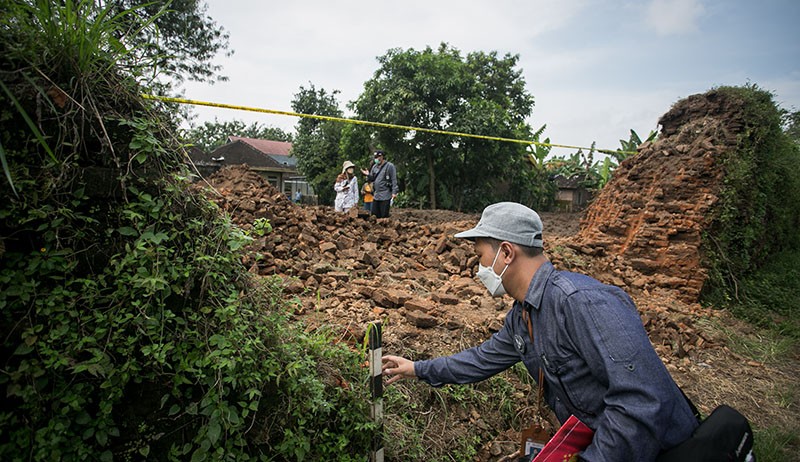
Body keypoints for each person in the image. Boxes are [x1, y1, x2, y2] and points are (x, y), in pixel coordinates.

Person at [381, 202, 699, 461]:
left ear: (507, 253)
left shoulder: (581, 302)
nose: (477, 268)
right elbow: (480, 360)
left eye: (480, 256)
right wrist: (417, 369)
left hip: (665, 451)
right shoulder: (524, 316)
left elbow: (641, 402)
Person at [361, 150, 398, 218]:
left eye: (378, 157)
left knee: (384, 216)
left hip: (385, 194)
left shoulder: (389, 166)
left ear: (382, 157)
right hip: (376, 195)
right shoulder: (374, 167)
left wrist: (394, 192)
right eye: (375, 157)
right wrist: (368, 175)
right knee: (374, 215)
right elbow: (372, 179)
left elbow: (394, 180)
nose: (377, 159)